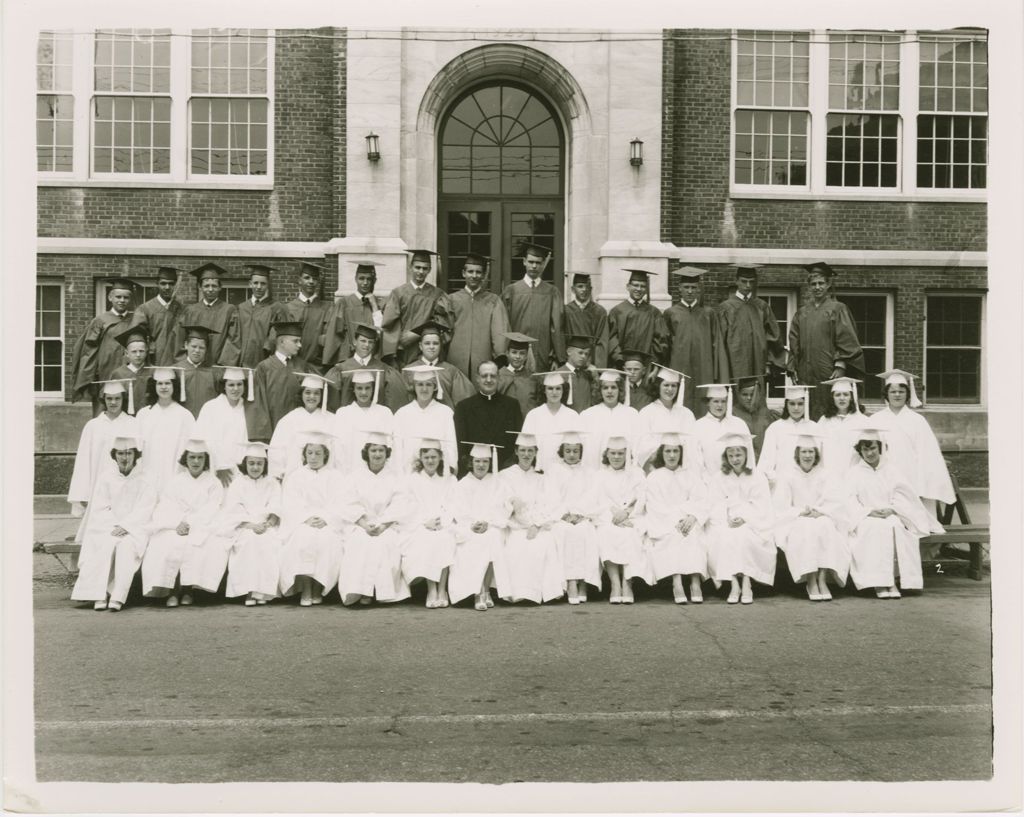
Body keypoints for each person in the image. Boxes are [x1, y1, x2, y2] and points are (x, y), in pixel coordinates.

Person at [844, 427, 933, 598]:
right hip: (866, 518)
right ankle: (878, 583)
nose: (869, 453)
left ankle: (892, 580)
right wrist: (868, 511)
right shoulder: (854, 473)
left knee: (895, 527)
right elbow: (849, 501)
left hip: (891, 514)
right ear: (859, 451)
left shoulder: (891, 470)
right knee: (874, 529)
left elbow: (904, 495)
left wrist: (892, 509)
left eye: (873, 448)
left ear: (880, 448)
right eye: (865, 449)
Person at [70, 435, 156, 612]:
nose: (125, 458)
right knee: (104, 544)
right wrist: (114, 526)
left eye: (129, 453)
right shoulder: (106, 478)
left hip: (135, 529)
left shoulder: (146, 479)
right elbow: (100, 507)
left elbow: (145, 508)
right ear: (114, 455)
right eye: (120, 453)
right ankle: (99, 594)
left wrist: (126, 526)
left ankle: (117, 596)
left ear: (136, 455)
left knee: (125, 547)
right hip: (108, 527)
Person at [142, 439, 225, 607]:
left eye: (200, 458)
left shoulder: (213, 483)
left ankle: (188, 590)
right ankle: (172, 591)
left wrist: (191, 523)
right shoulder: (175, 482)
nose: (195, 462)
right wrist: (177, 523)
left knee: (201, 544)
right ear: (185, 459)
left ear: (205, 460)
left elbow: (212, 508)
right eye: (192, 457)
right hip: (176, 525)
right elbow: (166, 505)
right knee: (166, 542)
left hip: (202, 524)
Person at [871, 369, 954, 534]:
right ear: (886, 394)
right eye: (892, 391)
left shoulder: (917, 421)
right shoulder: (875, 419)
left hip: (912, 476)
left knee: (916, 523)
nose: (897, 395)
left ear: (907, 394)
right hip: (885, 477)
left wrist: (923, 484)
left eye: (901, 391)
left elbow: (928, 455)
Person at [771, 430, 849, 601]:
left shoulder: (826, 474)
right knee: (806, 528)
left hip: (821, 515)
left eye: (811, 451)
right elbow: (780, 506)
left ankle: (822, 579)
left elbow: (835, 501)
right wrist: (800, 512)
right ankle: (811, 580)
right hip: (796, 518)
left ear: (816, 454)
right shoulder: (787, 475)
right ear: (797, 454)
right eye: (804, 452)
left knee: (825, 525)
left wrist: (820, 511)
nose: (807, 455)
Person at [337, 432, 411, 607]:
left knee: (385, 543)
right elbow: (348, 503)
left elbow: (400, 504)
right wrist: (364, 525)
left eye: (381, 451)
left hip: (388, 526)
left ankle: (380, 592)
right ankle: (361, 591)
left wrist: (383, 526)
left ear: (387, 454)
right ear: (366, 453)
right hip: (361, 524)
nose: (377, 454)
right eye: (373, 450)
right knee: (360, 543)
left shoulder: (396, 477)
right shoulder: (355, 477)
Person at [787, 262, 865, 420]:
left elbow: (847, 339)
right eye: (813, 284)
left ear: (828, 284)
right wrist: (793, 366)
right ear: (809, 286)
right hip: (805, 371)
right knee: (807, 407)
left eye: (821, 283)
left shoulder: (838, 308)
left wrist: (841, 363)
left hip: (828, 369)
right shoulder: (802, 313)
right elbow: (794, 341)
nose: (817, 287)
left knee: (830, 407)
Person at [638, 431, 709, 604]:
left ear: (681, 453)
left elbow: (701, 500)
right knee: (673, 536)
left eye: (675, 451)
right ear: (662, 453)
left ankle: (694, 581)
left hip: (688, 521)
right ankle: (676, 582)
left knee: (692, 535)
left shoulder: (690, 475)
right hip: (664, 522)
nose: (672, 455)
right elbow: (655, 507)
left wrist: (692, 517)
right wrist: (678, 519)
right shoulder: (654, 477)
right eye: (668, 451)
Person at [707, 431, 775, 605]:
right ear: (726, 457)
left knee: (744, 536)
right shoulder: (718, 478)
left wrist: (745, 518)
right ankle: (734, 583)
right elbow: (715, 504)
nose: (735, 459)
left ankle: (746, 582)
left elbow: (762, 506)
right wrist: (727, 519)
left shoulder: (757, 477)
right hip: (726, 520)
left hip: (752, 521)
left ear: (746, 454)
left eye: (738, 454)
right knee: (725, 536)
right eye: (730, 455)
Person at [278, 431, 346, 606]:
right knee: (303, 539)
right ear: (304, 454)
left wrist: (326, 519)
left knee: (327, 541)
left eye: (318, 453)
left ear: (326, 455)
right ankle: (306, 589)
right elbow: (290, 504)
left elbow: (340, 503)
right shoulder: (296, 476)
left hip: (328, 523)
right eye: (310, 453)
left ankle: (318, 588)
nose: (313, 457)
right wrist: (306, 519)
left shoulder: (336, 477)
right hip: (302, 521)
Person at [496, 433, 563, 605]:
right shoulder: (505, 476)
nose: (526, 455)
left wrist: (536, 524)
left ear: (535, 453)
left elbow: (550, 504)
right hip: (515, 526)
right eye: (523, 450)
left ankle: (541, 593)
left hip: (538, 525)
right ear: (516, 452)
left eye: (530, 451)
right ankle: (520, 593)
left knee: (544, 543)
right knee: (517, 546)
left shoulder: (541, 477)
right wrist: (511, 504)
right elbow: (501, 503)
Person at [216, 442, 282, 606]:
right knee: (249, 542)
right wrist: (252, 526)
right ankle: (250, 592)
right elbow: (234, 510)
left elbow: (276, 508)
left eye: (259, 463)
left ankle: (263, 592)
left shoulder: (272, 483)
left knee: (267, 543)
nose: (255, 467)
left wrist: (266, 524)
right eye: (251, 463)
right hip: (244, 527)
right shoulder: (238, 484)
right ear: (245, 464)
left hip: (267, 527)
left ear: (265, 465)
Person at [67, 380, 138, 528]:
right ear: (103, 400)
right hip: (97, 483)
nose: (113, 402)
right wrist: (82, 493)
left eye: (117, 398)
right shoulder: (93, 426)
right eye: (109, 398)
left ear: (123, 399)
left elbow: (139, 459)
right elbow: (83, 462)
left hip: (124, 484)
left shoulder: (133, 424)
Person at [448, 442, 508, 611]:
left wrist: (488, 522)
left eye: (485, 462)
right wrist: (472, 524)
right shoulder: (462, 484)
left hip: (491, 525)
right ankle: (478, 591)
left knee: (494, 538)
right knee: (475, 542)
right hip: (468, 527)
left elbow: (504, 508)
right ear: (471, 462)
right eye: (478, 461)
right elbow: (457, 510)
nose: (481, 465)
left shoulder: (497, 483)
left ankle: (486, 589)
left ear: (490, 463)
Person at [545, 430, 602, 604]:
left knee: (587, 532)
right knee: (565, 533)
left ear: (581, 452)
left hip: (583, 516)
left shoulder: (589, 472)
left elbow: (592, 495)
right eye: (568, 450)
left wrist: (580, 513)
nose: (571, 454)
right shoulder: (554, 471)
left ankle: (583, 582)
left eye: (575, 451)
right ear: (562, 451)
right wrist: (564, 514)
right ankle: (571, 582)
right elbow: (551, 495)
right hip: (560, 517)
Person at [401, 438, 459, 608]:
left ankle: (442, 590)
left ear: (441, 457)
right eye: (426, 457)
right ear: (420, 458)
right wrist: (425, 522)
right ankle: (431, 589)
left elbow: (454, 504)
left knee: (445, 539)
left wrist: (443, 521)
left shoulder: (449, 479)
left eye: (434, 457)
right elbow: (409, 505)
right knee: (427, 540)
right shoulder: (412, 480)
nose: (430, 461)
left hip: (445, 523)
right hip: (420, 524)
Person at [664, 266, 728, 416]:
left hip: (704, 371)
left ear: (699, 289)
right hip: (679, 370)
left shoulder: (708, 314)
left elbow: (717, 345)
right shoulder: (671, 313)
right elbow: (664, 346)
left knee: (703, 407)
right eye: (686, 287)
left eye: (693, 287)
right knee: (680, 406)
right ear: (679, 288)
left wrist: (719, 375)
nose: (690, 291)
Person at [591, 435, 646, 603]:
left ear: (627, 454)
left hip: (633, 517)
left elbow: (642, 498)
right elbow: (597, 500)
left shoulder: (636, 473)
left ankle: (627, 582)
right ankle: (615, 584)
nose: (616, 457)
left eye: (620, 454)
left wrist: (628, 512)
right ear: (606, 454)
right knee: (606, 533)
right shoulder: (599, 475)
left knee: (632, 535)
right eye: (613, 453)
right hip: (608, 517)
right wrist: (615, 514)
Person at [70, 277, 137, 415]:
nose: (122, 300)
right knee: (103, 413)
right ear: (110, 297)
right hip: (105, 374)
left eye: (126, 297)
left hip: (129, 374)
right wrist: (90, 376)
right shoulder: (100, 321)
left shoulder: (135, 320)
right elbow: (89, 351)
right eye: (118, 296)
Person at [717, 265, 786, 393]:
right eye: (744, 281)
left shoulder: (762, 307)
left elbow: (773, 337)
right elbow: (720, 341)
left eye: (751, 281)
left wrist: (769, 362)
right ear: (737, 281)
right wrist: (723, 368)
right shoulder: (725, 308)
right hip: (734, 363)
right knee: (736, 395)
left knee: (757, 394)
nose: (748, 285)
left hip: (758, 362)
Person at [382, 249, 454, 367]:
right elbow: (389, 325)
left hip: (428, 349)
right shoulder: (398, 293)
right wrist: (396, 346)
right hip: (403, 351)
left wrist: (417, 333)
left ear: (430, 270)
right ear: (410, 267)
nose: (420, 272)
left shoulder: (437, 295)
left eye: (425, 268)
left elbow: (444, 324)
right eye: (417, 267)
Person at [501, 242, 565, 370]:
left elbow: (556, 328)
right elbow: (503, 326)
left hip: (543, 353)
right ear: (524, 261)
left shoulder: (552, 292)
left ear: (543, 264)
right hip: (515, 354)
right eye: (531, 262)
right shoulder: (511, 291)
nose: (534, 266)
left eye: (538, 263)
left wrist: (556, 357)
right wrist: (503, 355)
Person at [453, 360, 523, 476]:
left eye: (493, 376)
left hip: (505, 472)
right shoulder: (464, 407)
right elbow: (460, 445)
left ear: (499, 378)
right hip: (474, 472)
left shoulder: (512, 405)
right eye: (484, 376)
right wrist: (472, 468)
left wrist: (506, 468)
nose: (489, 380)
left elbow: (517, 441)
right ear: (477, 378)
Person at [447, 253, 511, 378]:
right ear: (463, 273)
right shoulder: (451, 300)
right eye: (470, 272)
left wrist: (500, 356)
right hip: (455, 360)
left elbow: (500, 332)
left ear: (483, 275)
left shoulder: (493, 301)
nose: (474, 276)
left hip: (484, 359)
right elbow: (445, 332)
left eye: (478, 272)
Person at [325, 322, 409, 414]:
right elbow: (331, 405)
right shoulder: (340, 370)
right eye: (363, 341)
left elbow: (394, 403)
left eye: (371, 342)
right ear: (354, 341)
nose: (367, 345)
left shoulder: (384, 370)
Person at [247, 319, 310, 442]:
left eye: (300, 341)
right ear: (281, 342)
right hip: (273, 431)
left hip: (299, 430)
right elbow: (259, 404)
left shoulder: (302, 366)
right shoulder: (264, 367)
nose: (300, 345)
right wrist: (265, 436)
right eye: (295, 341)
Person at [268, 373, 337, 480]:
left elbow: (337, 450)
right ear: (302, 394)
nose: (312, 397)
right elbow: (277, 450)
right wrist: (278, 473)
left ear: (322, 396)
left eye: (316, 393)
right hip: (294, 477)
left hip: (324, 479)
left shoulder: (332, 420)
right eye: (308, 392)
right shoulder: (289, 420)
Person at [135, 366, 196, 487]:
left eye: (168, 383)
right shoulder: (144, 414)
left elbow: (191, 448)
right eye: (160, 383)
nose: (164, 387)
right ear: (154, 386)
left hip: (175, 473)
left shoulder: (185, 415)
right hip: (148, 473)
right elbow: (137, 446)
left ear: (174, 386)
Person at [392, 365, 458, 472]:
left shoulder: (445, 412)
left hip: (438, 475)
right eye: (420, 384)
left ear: (435, 387)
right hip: (408, 475)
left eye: (428, 384)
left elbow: (451, 446)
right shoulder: (402, 414)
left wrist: (448, 472)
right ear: (414, 386)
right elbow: (397, 449)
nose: (424, 389)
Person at [196, 366, 254, 488]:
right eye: (231, 385)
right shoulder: (210, 408)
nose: (235, 389)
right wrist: (219, 466)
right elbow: (203, 441)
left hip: (243, 471)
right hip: (217, 470)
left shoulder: (249, 409)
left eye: (239, 384)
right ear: (224, 386)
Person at [322, 260, 386, 367]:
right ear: (355, 279)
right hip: (348, 358)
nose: (365, 282)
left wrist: (374, 305)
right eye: (361, 278)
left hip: (372, 358)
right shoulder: (344, 303)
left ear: (374, 281)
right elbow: (334, 334)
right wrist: (330, 360)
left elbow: (381, 333)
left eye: (369, 279)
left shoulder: (379, 305)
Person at [635, 364, 697, 471]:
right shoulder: (647, 412)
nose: (670, 389)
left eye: (674, 386)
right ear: (658, 386)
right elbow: (642, 443)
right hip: (655, 467)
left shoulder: (687, 414)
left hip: (683, 468)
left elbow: (693, 443)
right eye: (666, 385)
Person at [756, 385, 820, 485]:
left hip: (808, 484)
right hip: (781, 483)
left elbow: (820, 461)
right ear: (786, 405)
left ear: (806, 404)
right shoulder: (775, 428)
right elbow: (766, 461)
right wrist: (775, 480)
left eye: (800, 404)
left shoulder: (814, 428)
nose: (796, 408)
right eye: (792, 403)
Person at [179, 263, 241, 366]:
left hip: (218, 366)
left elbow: (233, 341)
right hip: (194, 366)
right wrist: (188, 363)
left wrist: (222, 366)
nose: (210, 289)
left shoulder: (229, 310)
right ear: (200, 287)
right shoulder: (190, 311)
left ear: (220, 287)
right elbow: (181, 340)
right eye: (206, 286)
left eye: (214, 286)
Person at [333, 369, 395, 471]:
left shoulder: (384, 413)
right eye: (359, 388)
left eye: (367, 388)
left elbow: (390, 444)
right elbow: (338, 448)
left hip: (379, 472)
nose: (363, 392)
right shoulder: (343, 414)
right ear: (353, 389)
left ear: (373, 389)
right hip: (350, 471)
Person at [407, 319, 475, 410]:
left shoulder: (451, 371)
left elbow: (464, 404)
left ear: (440, 345)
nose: (431, 347)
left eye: (435, 343)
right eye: (427, 343)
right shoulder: (409, 370)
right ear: (420, 346)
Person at [520, 371, 581, 474]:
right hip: (540, 470)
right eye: (550, 388)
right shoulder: (533, 415)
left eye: (558, 388)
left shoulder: (572, 415)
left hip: (566, 472)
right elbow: (526, 445)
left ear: (563, 390)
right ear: (544, 390)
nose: (554, 392)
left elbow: (577, 447)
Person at [579, 370, 640, 470]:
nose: (609, 391)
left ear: (620, 390)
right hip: (596, 472)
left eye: (614, 387)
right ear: (599, 390)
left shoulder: (631, 414)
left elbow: (636, 445)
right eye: (605, 387)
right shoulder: (588, 415)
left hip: (624, 474)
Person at [608, 269, 668, 366]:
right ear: (628, 286)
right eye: (635, 285)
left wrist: (653, 363)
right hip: (621, 366)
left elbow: (661, 341)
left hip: (646, 367)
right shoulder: (617, 311)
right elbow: (611, 339)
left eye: (643, 286)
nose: (639, 289)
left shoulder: (654, 313)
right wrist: (619, 359)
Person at [692, 383, 753, 479]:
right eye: (715, 401)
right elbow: (696, 461)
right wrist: (708, 483)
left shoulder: (739, 424)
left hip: (737, 481)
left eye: (723, 401)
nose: (720, 405)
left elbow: (749, 455)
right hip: (709, 483)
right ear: (708, 402)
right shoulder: (698, 426)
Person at [237, 263, 289, 369]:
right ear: (250, 284)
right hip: (241, 363)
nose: (259, 287)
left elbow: (277, 338)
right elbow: (234, 337)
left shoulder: (277, 308)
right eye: (255, 283)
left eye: (263, 283)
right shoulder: (241, 307)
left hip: (264, 362)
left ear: (268, 285)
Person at [817, 376, 869, 481]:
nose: (842, 398)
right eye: (837, 395)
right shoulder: (824, 421)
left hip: (854, 475)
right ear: (832, 398)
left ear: (851, 397)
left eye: (846, 394)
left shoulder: (862, 421)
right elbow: (817, 448)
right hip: (829, 475)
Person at [130, 265, 184, 366]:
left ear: (176, 285)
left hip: (177, 361)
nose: (167, 287)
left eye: (171, 284)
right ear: (157, 284)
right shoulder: (144, 309)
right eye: (163, 284)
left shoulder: (182, 309)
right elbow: (137, 338)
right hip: (153, 361)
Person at [285, 260, 333, 370]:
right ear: (299, 280)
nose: (311, 281)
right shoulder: (289, 308)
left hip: (317, 368)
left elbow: (328, 340)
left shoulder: (327, 308)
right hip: (293, 366)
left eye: (315, 278)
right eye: (307, 278)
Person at [562, 271, 610, 369]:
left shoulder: (600, 312)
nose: (584, 290)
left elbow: (602, 342)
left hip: (592, 363)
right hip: (570, 362)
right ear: (573, 289)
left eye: (587, 287)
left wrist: (597, 366)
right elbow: (561, 340)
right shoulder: (565, 311)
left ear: (591, 289)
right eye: (580, 286)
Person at [176, 322, 220, 418]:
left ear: (206, 349)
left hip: (207, 421)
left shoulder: (215, 372)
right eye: (194, 346)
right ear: (186, 345)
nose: (197, 351)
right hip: (182, 421)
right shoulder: (176, 370)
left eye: (201, 348)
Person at [731, 374, 779, 461]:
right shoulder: (732, 414)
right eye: (744, 394)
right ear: (738, 394)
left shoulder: (767, 413)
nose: (749, 398)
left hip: (764, 463)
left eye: (752, 394)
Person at [109, 325, 150, 415]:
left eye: (141, 351)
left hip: (148, 419)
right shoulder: (118, 374)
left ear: (146, 351)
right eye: (134, 351)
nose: (138, 355)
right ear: (127, 353)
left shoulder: (153, 372)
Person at [497, 331, 540, 417]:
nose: (517, 356)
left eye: (522, 353)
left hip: (526, 424)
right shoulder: (498, 376)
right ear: (507, 353)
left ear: (526, 356)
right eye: (514, 352)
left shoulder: (532, 378)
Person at [553, 334, 599, 412]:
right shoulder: (557, 375)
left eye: (586, 354)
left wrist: (596, 378)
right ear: (569, 352)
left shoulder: (587, 375)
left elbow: (595, 402)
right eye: (580, 353)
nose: (584, 356)